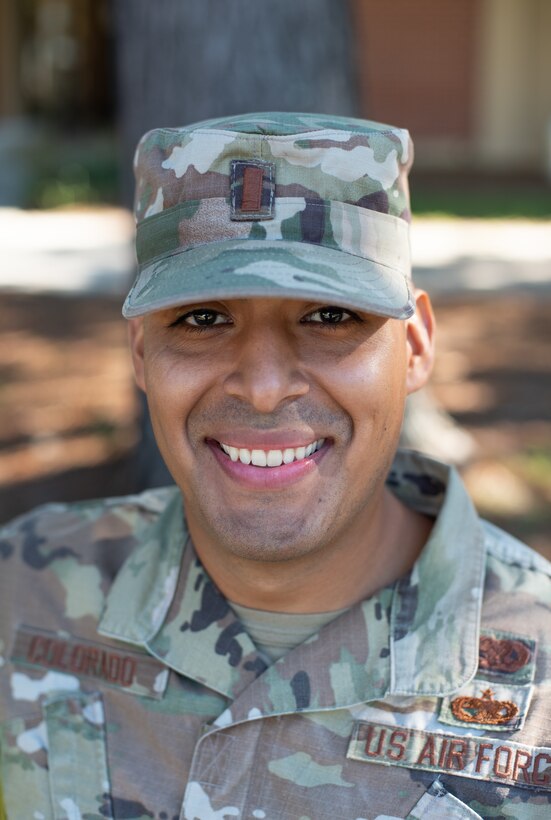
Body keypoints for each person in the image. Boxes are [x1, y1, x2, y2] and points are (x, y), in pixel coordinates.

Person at [1, 112, 550, 819]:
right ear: (141, 353)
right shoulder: (26, 592)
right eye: (201, 318)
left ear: (413, 347)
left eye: (329, 316)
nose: (262, 385)